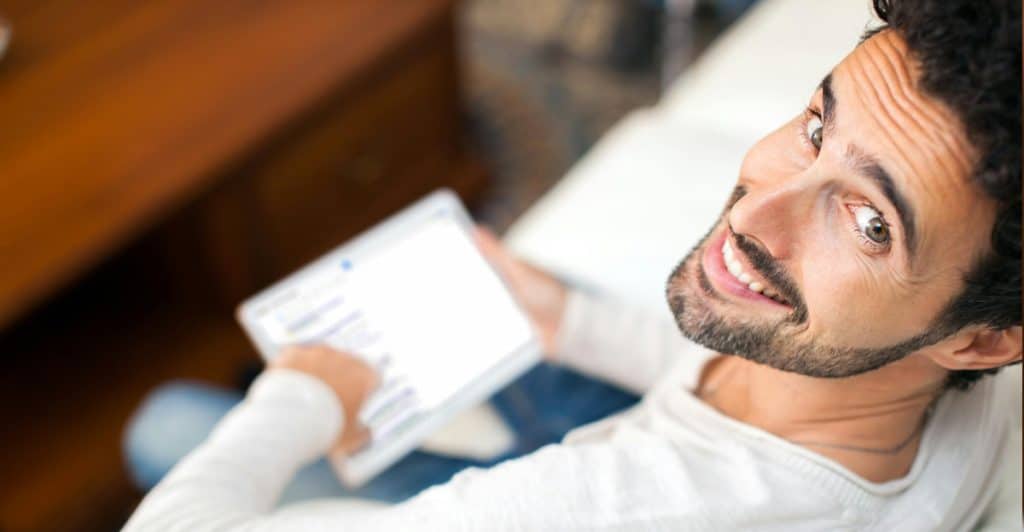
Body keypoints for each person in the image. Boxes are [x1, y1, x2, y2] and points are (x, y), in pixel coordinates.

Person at [124, 0, 1021, 529]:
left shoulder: (586, 507)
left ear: (984, 340)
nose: (755, 208)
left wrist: (303, 398)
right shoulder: (946, 379)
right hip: (649, 411)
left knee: (164, 426)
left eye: (868, 222)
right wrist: (569, 320)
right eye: (817, 128)